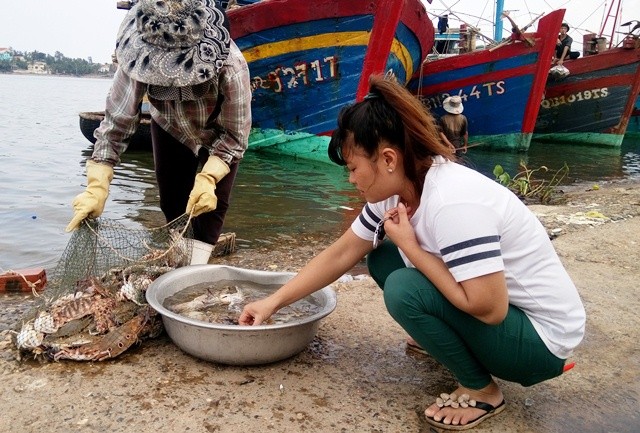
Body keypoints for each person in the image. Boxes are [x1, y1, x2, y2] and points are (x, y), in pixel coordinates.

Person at [239, 75, 585, 430]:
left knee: (405, 286)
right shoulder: (396, 189)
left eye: (354, 168)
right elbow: (341, 254)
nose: (351, 180)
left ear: (388, 158)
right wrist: (274, 301)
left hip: (540, 344)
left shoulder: (452, 203)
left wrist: (412, 248)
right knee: (382, 257)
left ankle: (482, 391)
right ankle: (442, 338)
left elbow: (490, 308)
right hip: (508, 319)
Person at [66, 0, 252, 246]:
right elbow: (116, 124)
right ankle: (179, 254)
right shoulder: (136, 59)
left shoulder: (232, 66)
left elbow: (235, 134)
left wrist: (208, 178)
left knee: (212, 209)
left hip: (218, 133)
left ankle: (199, 262)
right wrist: (97, 185)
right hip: (169, 125)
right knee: (172, 204)